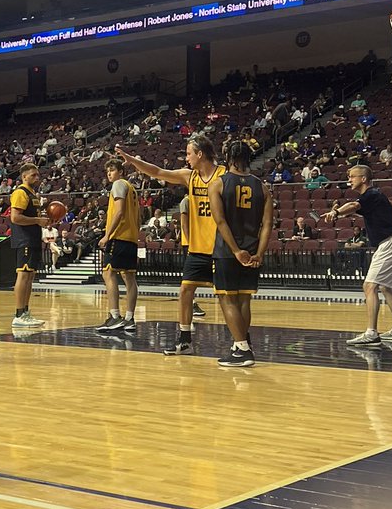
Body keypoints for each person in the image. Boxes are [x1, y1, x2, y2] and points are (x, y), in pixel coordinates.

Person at [115, 135, 221, 356]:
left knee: (227, 297)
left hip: (220, 247)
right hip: (197, 248)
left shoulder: (223, 176)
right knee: (185, 290)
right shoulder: (189, 176)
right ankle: (184, 340)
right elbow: (157, 172)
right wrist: (132, 160)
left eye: (189, 153)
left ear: (200, 154)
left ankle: (241, 341)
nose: (186, 158)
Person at [324, 165, 392, 347]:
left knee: (369, 287)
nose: (349, 180)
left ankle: (371, 333)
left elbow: (354, 205)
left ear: (363, 179)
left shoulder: (370, 194)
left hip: (389, 243)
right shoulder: (376, 197)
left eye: (352, 177)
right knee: (385, 288)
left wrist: (336, 212)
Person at [208, 141, 273, 367]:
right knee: (244, 299)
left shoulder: (218, 184)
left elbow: (220, 221)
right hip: (253, 248)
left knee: (227, 298)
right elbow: (267, 225)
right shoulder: (262, 187)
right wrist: (260, 253)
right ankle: (241, 344)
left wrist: (235, 250)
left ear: (228, 157)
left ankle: (242, 349)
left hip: (228, 251)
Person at [95, 157, 140, 336]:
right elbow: (138, 216)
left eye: (112, 170)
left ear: (121, 171)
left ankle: (114, 315)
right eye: (108, 171)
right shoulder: (132, 189)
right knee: (129, 278)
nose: (109, 174)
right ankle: (129, 319)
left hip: (119, 237)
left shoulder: (118, 185)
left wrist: (107, 235)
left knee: (108, 273)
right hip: (131, 238)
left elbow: (120, 211)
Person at [10, 162, 49, 327]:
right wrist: (37, 220)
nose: (37, 178)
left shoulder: (33, 193)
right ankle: (19, 314)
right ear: (24, 176)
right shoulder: (20, 192)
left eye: (38, 175)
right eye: (33, 175)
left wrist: (44, 220)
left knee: (30, 276)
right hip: (24, 239)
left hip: (33, 238)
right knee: (23, 275)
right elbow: (15, 218)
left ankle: (25, 312)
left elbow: (33, 218)